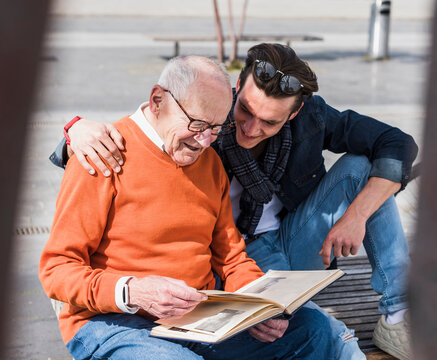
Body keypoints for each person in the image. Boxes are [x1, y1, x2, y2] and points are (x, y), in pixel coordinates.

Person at [51, 43, 418, 360]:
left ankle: (397, 312)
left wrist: (257, 308)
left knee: (315, 329)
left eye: (215, 128)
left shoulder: (207, 155)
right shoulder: (106, 155)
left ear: (292, 115)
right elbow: (57, 269)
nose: (209, 138)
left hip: (200, 311)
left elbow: (230, 255)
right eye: (199, 124)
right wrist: (132, 291)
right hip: (114, 319)